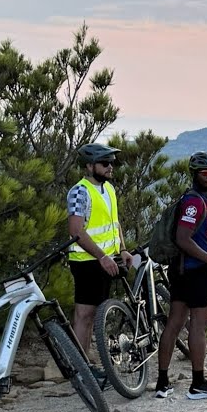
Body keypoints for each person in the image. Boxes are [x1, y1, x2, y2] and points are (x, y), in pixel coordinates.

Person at [155, 151, 207, 400]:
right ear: (194, 173)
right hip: (196, 273)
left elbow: (195, 234)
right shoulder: (195, 202)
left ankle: (162, 382)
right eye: (206, 172)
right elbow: (183, 238)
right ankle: (198, 384)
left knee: (174, 324)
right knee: (198, 327)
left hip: (179, 270)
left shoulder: (192, 199)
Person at [66, 143, 131, 384]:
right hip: (87, 261)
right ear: (90, 166)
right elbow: (76, 231)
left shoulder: (109, 189)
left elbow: (115, 223)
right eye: (105, 163)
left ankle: (86, 363)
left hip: (107, 259)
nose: (110, 167)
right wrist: (101, 256)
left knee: (94, 315)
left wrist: (122, 249)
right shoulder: (80, 192)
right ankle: (80, 369)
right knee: (84, 315)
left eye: (111, 163)